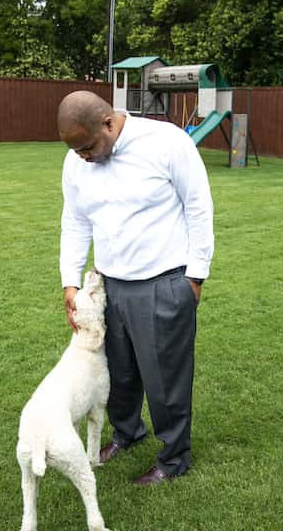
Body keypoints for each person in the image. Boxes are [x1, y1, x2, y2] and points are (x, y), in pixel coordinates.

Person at [57, 90, 214, 485]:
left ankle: (174, 459)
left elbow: (198, 206)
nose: (83, 158)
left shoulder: (166, 142)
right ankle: (127, 433)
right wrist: (70, 282)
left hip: (164, 282)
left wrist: (195, 277)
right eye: (76, 150)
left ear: (109, 123)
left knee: (165, 381)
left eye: (88, 147)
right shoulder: (77, 161)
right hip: (110, 286)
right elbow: (75, 221)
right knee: (120, 375)